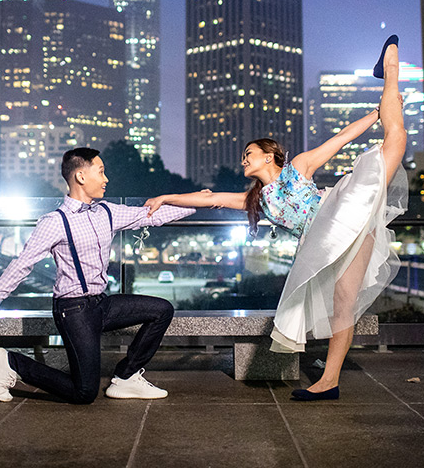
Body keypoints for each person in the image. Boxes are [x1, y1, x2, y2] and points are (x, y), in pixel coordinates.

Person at [146, 35, 407, 401]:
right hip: (322, 245)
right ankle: (329, 382)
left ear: (270, 156)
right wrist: (165, 197)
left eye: (249, 153)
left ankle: (390, 68)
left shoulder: (297, 168)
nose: (244, 159)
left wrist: (374, 115)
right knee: (343, 306)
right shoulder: (259, 201)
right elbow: (210, 199)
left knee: (393, 139)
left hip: (340, 218)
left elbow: (341, 139)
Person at [0, 147, 195, 404]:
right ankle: (13, 362)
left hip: (101, 304)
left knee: (162, 310)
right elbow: (22, 264)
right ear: (81, 177)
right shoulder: (55, 221)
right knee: (84, 393)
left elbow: (152, 216)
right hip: (73, 311)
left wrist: (203, 201)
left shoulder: (107, 212)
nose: (106, 179)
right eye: (101, 172)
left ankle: (126, 378)